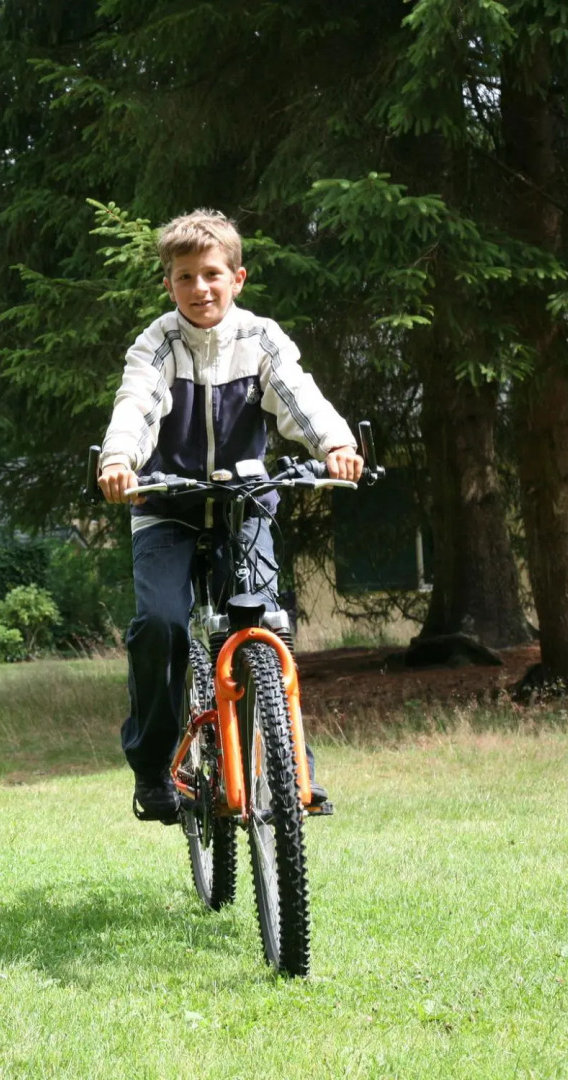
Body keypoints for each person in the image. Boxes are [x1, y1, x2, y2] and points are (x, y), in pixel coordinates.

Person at [96, 209, 364, 825]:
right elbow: (136, 405)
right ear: (170, 284)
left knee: (268, 625)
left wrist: (336, 446)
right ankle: (155, 765)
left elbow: (301, 395)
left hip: (244, 506)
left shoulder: (261, 338)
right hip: (166, 507)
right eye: (185, 277)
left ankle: (291, 769)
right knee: (162, 624)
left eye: (212, 274)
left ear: (237, 278)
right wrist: (119, 461)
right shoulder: (156, 343)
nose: (200, 288)